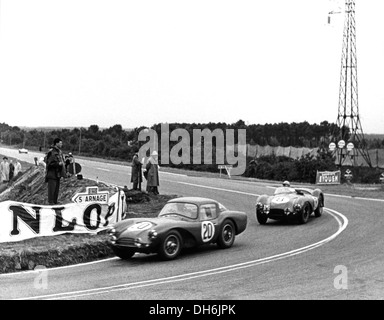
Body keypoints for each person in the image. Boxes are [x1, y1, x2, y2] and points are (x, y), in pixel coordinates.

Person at [45, 138, 67, 205]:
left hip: (58, 174)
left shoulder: (60, 152)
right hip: (52, 174)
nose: (61, 144)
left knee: (56, 192)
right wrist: (58, 164)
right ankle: (51, 205)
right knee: (51, 192)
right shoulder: (51, 152)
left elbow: (62, 161)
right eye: (60, 143)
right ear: (56, 143)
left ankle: (55, 204)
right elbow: (49, 164)